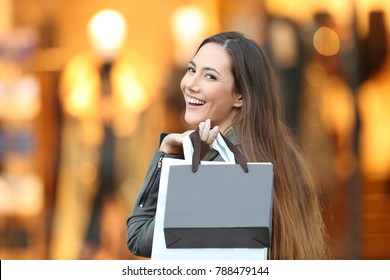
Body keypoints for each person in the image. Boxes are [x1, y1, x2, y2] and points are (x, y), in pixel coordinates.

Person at [126, 31, 328, 259]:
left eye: (210, 76)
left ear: (240, 96)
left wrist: (166, 154)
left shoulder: (219, 172)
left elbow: (139, 238)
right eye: (191, 70)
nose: (190, 84)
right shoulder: (281, 155)